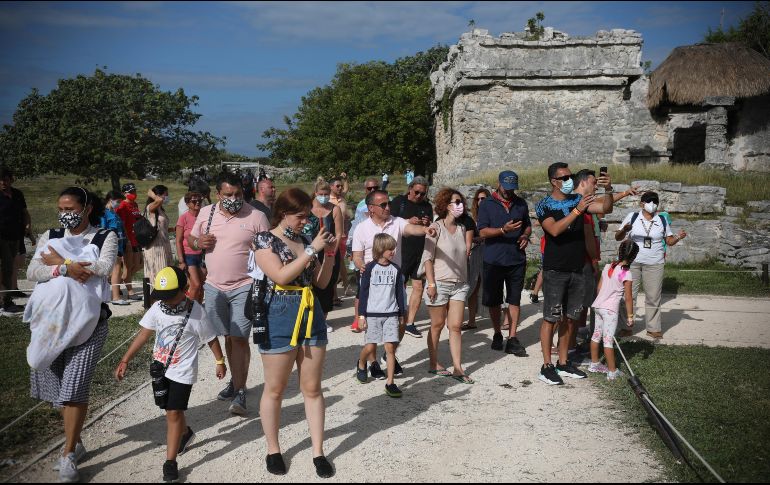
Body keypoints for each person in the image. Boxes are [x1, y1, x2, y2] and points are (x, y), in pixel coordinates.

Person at [26, 187, 118, 483]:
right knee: (57, 393)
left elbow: (102, 268)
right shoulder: (49, 236)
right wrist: (65, 267)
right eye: (61, 207)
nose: (65, 213)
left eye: (70, 207)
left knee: (73, 389)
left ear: (87, 208)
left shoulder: (105, 236)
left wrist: (57, 261)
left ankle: (67, 453)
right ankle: (75, 442)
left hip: (88, 326)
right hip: (50, 326)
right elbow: (32, 271)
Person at [253, 188, 336, 478]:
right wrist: (313, 249)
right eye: (301, 216)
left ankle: (318, 451)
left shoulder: (304, 240)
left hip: (310, 310)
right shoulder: (265, 239)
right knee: (275, 389)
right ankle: (273, 449)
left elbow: (321, 283)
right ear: (283, 213)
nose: (306, 221)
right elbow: (280, 275)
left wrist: (331, 255)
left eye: (307, 216)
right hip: (279, 311)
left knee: (312, 388)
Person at [115, 266, 227, 483]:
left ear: (184, 289)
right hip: (161, 368)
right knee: (169, 409)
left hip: (183, 371)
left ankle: (170, 462)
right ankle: (185, 433)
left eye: (170, 296)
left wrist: (220, 361)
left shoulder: (196, 312)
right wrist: (125, 359)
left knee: (173, 413)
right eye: (162, 296)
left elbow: (211, 338)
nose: (166, 300)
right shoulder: (157, 308)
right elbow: (144, 333)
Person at [188, 172, 269, 415]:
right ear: (217, 194)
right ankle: (235, 380)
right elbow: (191, 240)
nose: (233, 199)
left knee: (239, 338)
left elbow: (268, 251)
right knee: (226, 336)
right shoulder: (207, 213)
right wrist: (198, 243)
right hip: (214, 286)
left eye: (237, 194)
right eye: (228, 195)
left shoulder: (257, 216)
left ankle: (241, 390)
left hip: (244, 286)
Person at [535, 162, 614, 386]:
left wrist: (608, 191)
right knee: (551, 318)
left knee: (570, 319)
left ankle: (563, 361)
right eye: (564, 177)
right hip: (555, 269)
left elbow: (605, 208)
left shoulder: (576, 201)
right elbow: (554, 230)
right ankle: (546, 366)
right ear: (553, 181)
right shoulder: (544, 205)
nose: (570, 180)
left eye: (571, 176)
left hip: (577, 269)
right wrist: (577, 211)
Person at [351, 189, 437, 378]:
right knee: (373, 327)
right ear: (371, 208)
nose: (388, 207)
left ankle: (389, 354)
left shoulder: (396, 222)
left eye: (388, 203)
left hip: (394, 280)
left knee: (401, 320)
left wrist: (424, 229)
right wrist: (361, 267)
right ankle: (371, 362)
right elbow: (356, 255)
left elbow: (410, 229)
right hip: (372, 281)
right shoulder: (362, 228)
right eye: (383, 205)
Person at [616, 191, 687, 339]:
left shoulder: (661, 220)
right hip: (632, 262)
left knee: (653, 296)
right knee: (628, 295)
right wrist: (624, 230)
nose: (652, 204)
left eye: (655, 202)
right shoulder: (632, 217)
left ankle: (653, 328)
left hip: (655, 263)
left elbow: (669, 241)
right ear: (642, 204)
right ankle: (626, 327)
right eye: (649, 201)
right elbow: (618, 237)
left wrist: (678, 237)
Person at [476, 171, 532, 356]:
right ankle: (498, 333)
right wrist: (502, 230)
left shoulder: (521, 203)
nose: (509, 191)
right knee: (494, 300)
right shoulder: (486, 204)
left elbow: (527, 224)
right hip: (493, 259)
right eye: (506, 188)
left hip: (516, 259)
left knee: (514, 298)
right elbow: (482, 232)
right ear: (498, 184)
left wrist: (525, 235)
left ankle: (513, 337)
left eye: (512, 188)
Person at [423, 188, 474, 383]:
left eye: (460, 202)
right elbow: (427, 258)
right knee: (436, 325)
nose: (459, 205)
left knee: (455, 326)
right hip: (440, 282)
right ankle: (433, 362)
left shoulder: (462, 229)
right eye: (455, 202)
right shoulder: (436, 228)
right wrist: (431, 283)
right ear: (445, 205)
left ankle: (458, 367)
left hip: (460, 284)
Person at [356, 234, 407, 397]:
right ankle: (362, 363)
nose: (393, 251)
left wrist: (401, 314)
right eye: (390, 249)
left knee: (390, 348)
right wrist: (361, 316)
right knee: (371, 346)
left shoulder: (396, 269)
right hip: (372, 314)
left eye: (394, 248)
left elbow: (400, 292)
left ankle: (390, 382)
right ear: (380, 249)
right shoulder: (369, 269)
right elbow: (363, 293)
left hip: (391, 313)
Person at [588, 240, 639, 380]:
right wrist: (629, 317)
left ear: (619, 251)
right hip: (610, 310)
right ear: (634, 257)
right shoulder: (626, 274)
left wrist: (602, 299)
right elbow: (628, 298)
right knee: (608, 340)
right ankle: (612, 371)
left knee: (596, 335)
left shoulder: (608, 266)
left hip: (598, 305)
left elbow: (599, 288)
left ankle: (594, 363)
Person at [389, 175, 433, 338]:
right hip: (400, 251)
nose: (419, 196)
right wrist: (408, 220)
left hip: (419, 251)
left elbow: (430, 226)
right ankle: (395, 317)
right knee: (397, 287)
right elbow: (390, 221)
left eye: (423, 194)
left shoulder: (427, 206)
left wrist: (427, 223)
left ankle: (410, 323)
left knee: (418, 287)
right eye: (417, 192)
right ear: (410, 189)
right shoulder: (399, 202)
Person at [303, 178, 344, 319]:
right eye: (321, 193)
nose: (324, 197)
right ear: (315, 193)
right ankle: (310, 317)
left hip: (330, 252)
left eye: (327, 194)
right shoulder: (307, 209)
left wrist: (332, 253)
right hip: (310, 251)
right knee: (310, 284)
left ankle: (323, 318)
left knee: (327, 285)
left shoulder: (335, 209)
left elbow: (339, 233)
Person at [347, 177, 380, 333]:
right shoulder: (361, 205)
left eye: (375, 188)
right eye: (369, 189)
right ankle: (357, 317)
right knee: (362, 288)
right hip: (363, 251)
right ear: (365, 189)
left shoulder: (387, 202)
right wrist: (352, 253)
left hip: (380, 250)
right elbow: (355, 228)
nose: (372, 191)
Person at [0, 167, 29, 315]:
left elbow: (24, 212)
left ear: (11, 179)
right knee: (5, 267)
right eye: (0, 180)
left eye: (5, 179)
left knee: (10, 267)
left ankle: (7, 298)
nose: (2, 182)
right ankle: (4, 301)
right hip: (1, 237)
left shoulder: (17, 194)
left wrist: (28, 227)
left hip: (15, 236)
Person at [462, 187, 490, 330]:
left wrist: (480, 237)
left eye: (483, 198)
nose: (480, 201)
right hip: (476, 253)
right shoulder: (473, 217)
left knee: (492, 285)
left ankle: (506, 320)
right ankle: (472, 320)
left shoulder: (493, 214)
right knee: (473, 286)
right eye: (478, 199)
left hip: (490, 252)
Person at [176, 191, 207, 303]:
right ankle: (189, 310)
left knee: (202, 285)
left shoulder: (204, 217)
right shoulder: (183, 218)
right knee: (196, 284)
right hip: (189, 255)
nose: (197, 203)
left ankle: (198, 310)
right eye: (194, 201)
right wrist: (181, 261)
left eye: (199, 201)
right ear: (188, 203)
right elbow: (178, 240)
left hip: (203, 254)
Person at [100, 191, 130, 306]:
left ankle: (113, 294)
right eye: (117, 201)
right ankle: (116, 297)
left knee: (117, 270)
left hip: (120, 244)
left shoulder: (114, 213)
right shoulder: (104, 213)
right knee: (116, 270)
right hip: (111, 245)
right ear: (110, 199)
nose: (118, 204)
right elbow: (102, 230)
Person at [143, 185, 174, 291]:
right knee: (157, 273)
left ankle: (164, 298)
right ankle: (154, 300)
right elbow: (159, 200)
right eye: (166, 195)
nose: (167, 197)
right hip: (155, 247)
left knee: (165, 273)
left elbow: (159, 226)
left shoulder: (160, 209)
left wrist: (171, 229)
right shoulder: (151, 207)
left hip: (164, 246)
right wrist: (151, 193)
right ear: (158, 195)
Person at [116, 183, 143, 302]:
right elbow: (121, 225)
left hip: (136, 238)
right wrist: (125, 240)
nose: (133, 194)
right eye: (130, 192)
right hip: (128, 240)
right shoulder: (122, 206)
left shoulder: (134, 204)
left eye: (134, 191)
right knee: (128, 266)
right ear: (124, 193)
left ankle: (117, 282)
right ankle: (130, 292)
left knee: (138, 265)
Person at [329, 175, 350, 301]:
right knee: (336, 263)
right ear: (331, 187)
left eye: (341, 186)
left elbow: (347, 188)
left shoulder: (341, 198)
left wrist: (345, 178)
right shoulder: (329, 200)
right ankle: (335, 293)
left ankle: (342, 288)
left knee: (340, 262)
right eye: (337, 186)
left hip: (343, 235)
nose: (340, 188)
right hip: (334, 235)